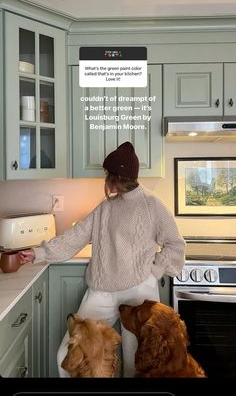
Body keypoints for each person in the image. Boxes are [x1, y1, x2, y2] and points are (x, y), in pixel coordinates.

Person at [19, 141, 186, 378]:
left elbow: (175, 244)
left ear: (115, 177)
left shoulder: (153, 204)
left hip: (140, 293)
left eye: (107, 174)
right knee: (67, 357)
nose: (105, 179)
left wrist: (155, 269)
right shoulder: (105, 208)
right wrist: (39, 253)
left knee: (135, 363)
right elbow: (75, 236)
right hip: (102, 290)